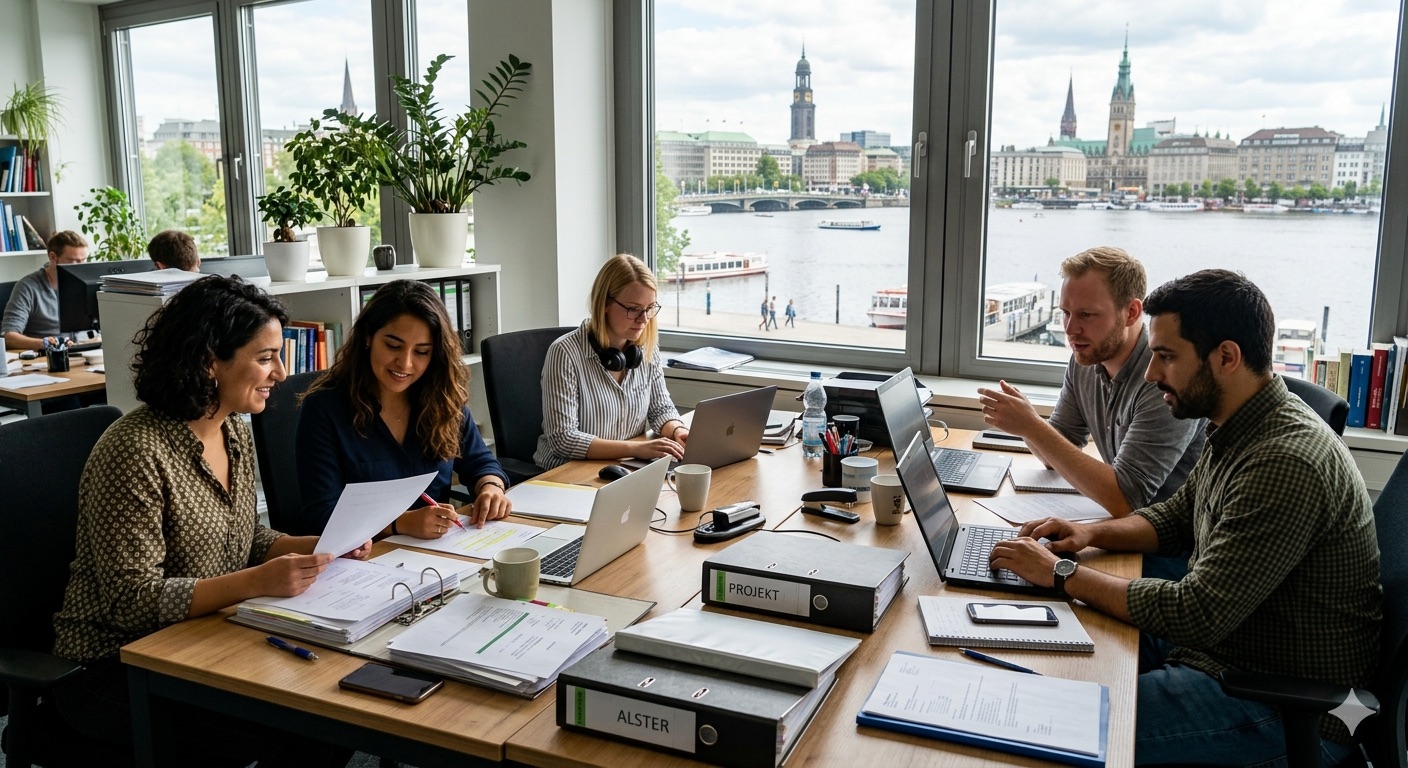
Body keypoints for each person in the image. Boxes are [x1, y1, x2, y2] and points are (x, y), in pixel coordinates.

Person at [989, 269, 1381, 766]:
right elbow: (1175, 518)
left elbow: (1197, 612)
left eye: (1167, 357)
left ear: (1227, 357)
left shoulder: (1285, 461)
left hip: (1285, 705)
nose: (1151, 374)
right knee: (1043, 651)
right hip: (1223, 653)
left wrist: (1063, 572)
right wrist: (1088, 534)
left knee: (1053, 725)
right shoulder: (1240, 423)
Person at [51, 275, 362, 765]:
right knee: (305, 723)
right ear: (208, 361)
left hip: (206, 639)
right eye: (266, 357)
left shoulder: (232, 430)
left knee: (335, 704)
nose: (281, 373)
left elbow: (245, 537)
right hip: (113, 668)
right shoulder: (135, 451)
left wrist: (321, 546)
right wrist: (256, 581)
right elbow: (130, 601)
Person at [976, 247, 1204, 517]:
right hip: (1124, 525)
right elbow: (1054, 456)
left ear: (1131, 312)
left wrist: (1032, 426)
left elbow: (1126, 500)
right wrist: (1027, 426)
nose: (1070, 329)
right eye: (1065, 312)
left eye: (1086, 315)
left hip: (1169, 537)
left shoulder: (1163, 378)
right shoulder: (1085, 360)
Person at [294, 279, 511, 538]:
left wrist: (491, 487)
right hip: (364, 555)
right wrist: (401, 523)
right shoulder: (324, 408)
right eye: (393, 346)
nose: (405, 363)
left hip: (436, 549)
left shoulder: (441, 396)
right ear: (368, 337)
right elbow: (321, 516)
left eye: (421, 352)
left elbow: (481, 462)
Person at [535, 253, 688, 470]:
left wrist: (677, 430)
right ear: (605, 303)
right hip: (568, 473)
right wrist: (635, 449)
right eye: (633, 309)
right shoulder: (565, 353)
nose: (644, 319)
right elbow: (563, 439)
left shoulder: (646, 347)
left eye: (649, 308)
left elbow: (660, 408)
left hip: (625, 467)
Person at [2, 230, 88, 351]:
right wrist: (46, 344)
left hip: (89, 351)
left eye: (83, 260)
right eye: (73, 261)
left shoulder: (87, 284)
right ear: (53, 257)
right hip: (49, 355)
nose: (81, 267)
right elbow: (9, 337)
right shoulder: (28, 287)